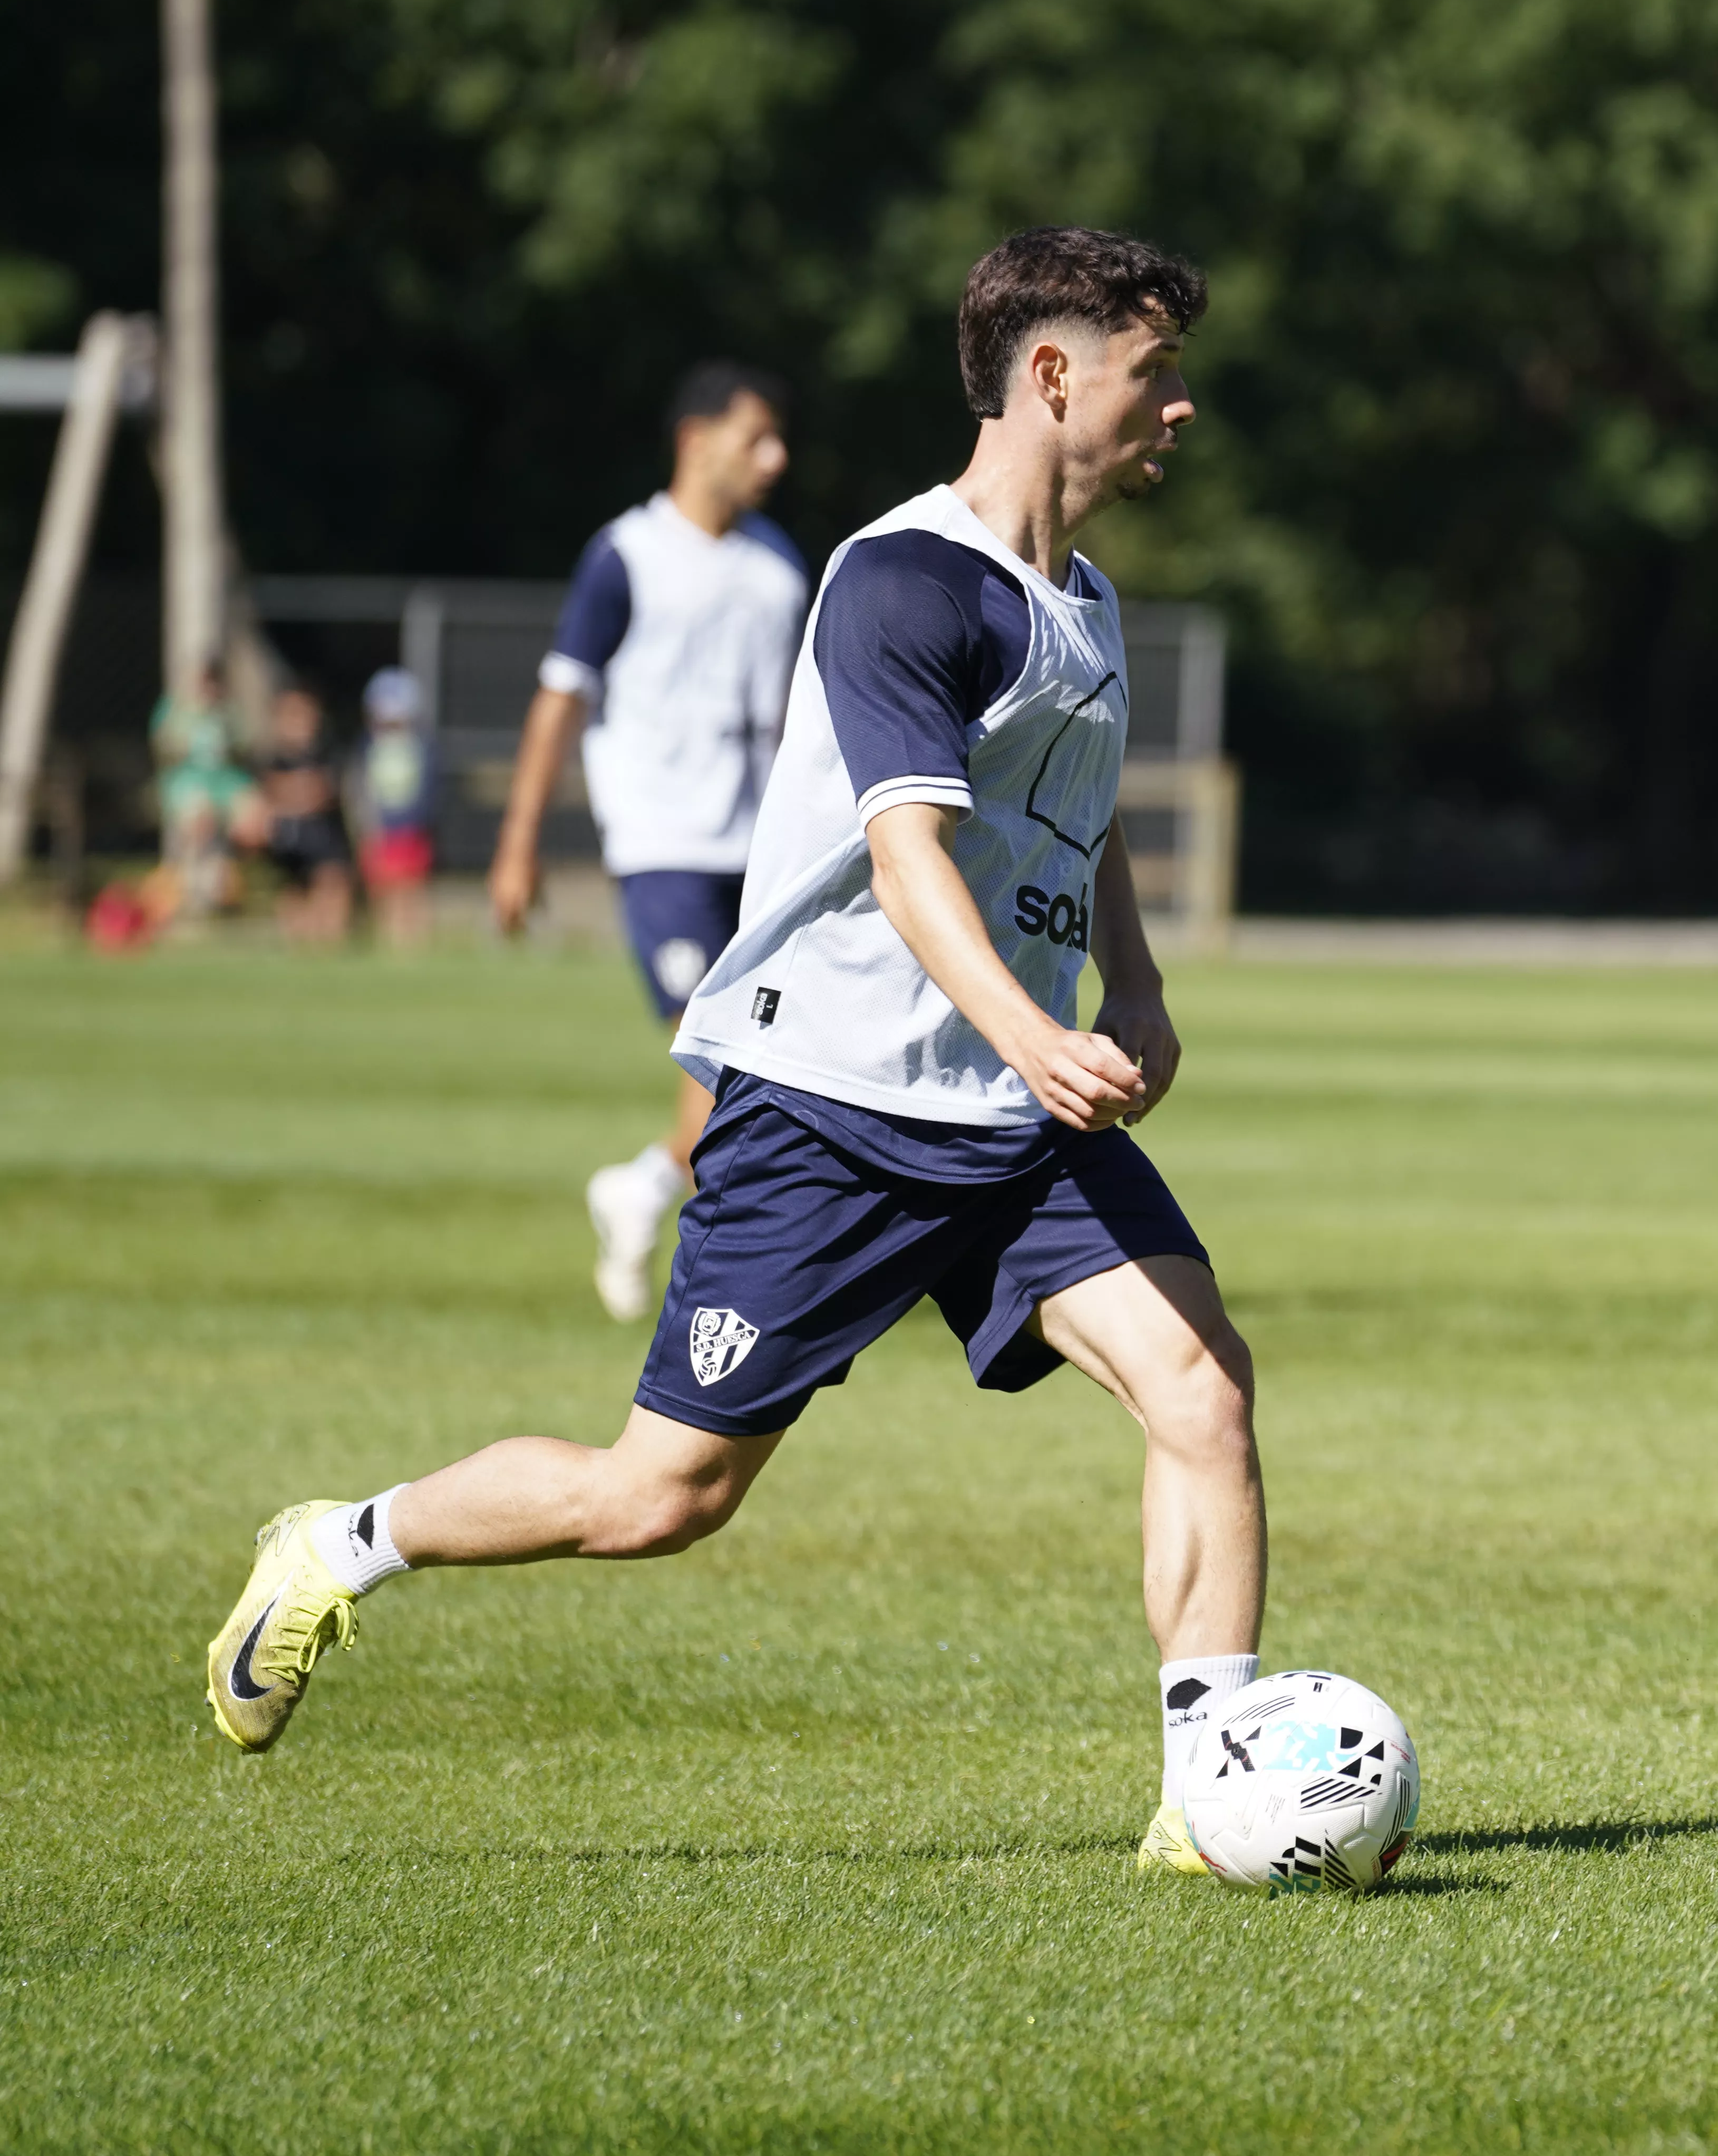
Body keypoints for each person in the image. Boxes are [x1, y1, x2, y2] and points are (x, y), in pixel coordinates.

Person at [205, 225, 1263, 1880]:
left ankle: (1212, 1793)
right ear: (1053, 378)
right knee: (658, 1498)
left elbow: (1084, 810)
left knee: (1201, 1383)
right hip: (832, 1111)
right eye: (1155, 370)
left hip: (1005, 1112)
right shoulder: (902, 579)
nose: (1179, 406)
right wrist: (1036, 1031)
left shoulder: (1088, 601)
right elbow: (909, 853)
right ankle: (340, 1542)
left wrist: (1133, 986)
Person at [491, 363, 810, 1319]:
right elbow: (561, 697)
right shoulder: (625, 554)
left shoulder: (779, 567)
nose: (776, 456)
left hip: (761, 855)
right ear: (695, 438)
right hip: (663, 849)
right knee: (723, 1063)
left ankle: (645, 1191)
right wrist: (520, 842)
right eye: (756, 435)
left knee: (757, 1066)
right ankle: (728, 1280)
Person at [149, 654, 259, 918]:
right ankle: (191, 884)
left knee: (253, 817)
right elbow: (166, 755)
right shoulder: (175, 712)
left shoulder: (229, 714)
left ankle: (228, 875)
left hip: (223, 785)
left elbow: (243, 754)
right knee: (200, 818)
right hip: (189, 785)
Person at [255, 683, 359, 946]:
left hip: (325, 839)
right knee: (293, 901)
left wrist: (290, 793)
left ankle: (328, 948)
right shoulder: (272, 758)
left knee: (333, 891)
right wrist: (297, 792)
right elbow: (267, 793)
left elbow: (322, 791)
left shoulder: (329, 751)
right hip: (289, 842)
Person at [352, 666, 438, 946]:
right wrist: (368, 825)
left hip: (411, 830)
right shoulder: (368, 747)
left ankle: (412, 941)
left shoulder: (422, 747)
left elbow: (428, 790)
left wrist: (420, 821)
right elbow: (362, 789)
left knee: (411, 888)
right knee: (383, 889)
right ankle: (389, 939)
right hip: (380, 830)